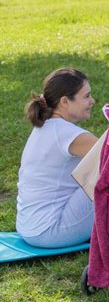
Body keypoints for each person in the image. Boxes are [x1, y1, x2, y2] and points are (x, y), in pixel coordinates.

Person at [17, 68, 98, 248]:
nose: (92, 101)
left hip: (29, 228)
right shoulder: (68, 134)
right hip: (50, 232)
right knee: (108, 171)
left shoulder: (45, 128)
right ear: (65, 102)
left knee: (100, 168)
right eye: (86, 96)